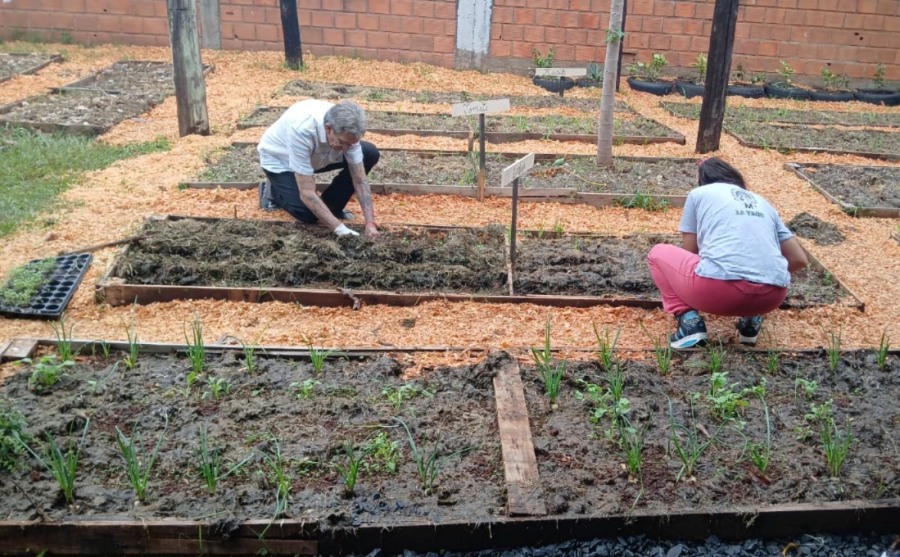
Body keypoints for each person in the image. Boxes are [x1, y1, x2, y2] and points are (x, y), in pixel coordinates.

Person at [647, 157, 809, 349]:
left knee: (657, 254)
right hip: (771, 298)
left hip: (715, 292)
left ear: (703, 180)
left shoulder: (699, 194)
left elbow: (691, 252)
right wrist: (762, 277)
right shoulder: (763, 203)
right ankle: (751, 321)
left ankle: (689, 322)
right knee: (756, 268)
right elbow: (799, 260)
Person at [257, 99, 380, 237]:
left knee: (369, 153)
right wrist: (340, 229)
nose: (346, 148)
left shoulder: (348, 131)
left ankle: (331, 206)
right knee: (308, 215)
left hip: (317, 156)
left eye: (350, 144)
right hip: (282, 160)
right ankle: (274, 190)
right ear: (328, 128)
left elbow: (359, 180)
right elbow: (307, 192)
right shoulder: (302, 129)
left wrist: (370, 223)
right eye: (342, 142)